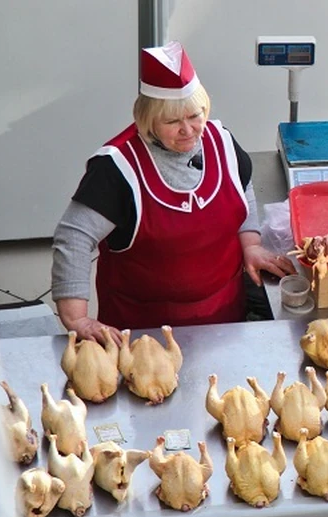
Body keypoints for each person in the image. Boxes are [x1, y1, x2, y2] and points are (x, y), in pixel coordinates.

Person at [51, 41, 295, 345]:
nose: (188, 130)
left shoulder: (222, 141)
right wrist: (77, 318)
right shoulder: (117, 168)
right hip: (141, 335)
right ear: (147, 119)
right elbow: (73, 236)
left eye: (195, 116)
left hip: (224, 321)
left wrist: (251, 245)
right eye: (172, 121)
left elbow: (241, 187)